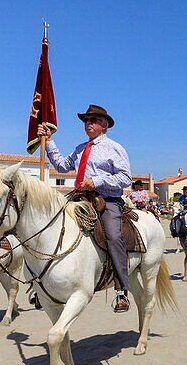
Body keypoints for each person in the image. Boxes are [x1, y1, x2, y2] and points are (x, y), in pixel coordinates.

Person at [38, 104, 133, 312]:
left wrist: (97, 181)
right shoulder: (80, 148)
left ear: (104, 125)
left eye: (94, 120)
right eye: (86, 121)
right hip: (79, 198)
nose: (88, 124)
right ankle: (42, 284)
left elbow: (125, 177)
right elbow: (62, 166)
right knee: (51, 225)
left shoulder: (115, 148)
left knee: (113, 236)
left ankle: (121, 289)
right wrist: (50, 140)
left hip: (106, 200)